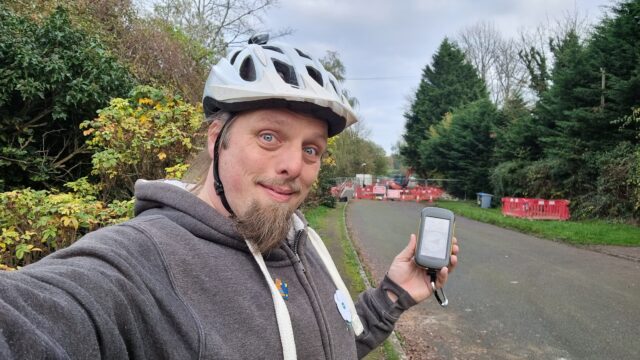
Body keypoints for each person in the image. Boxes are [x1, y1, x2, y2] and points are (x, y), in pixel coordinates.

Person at [0, 35, 458, 359]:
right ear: (215, 138)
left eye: (311, 148)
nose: (294, 165)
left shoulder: (300, 243)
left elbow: (323, 345)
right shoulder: (137, 263)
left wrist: (394, 296)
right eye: (268, 136)